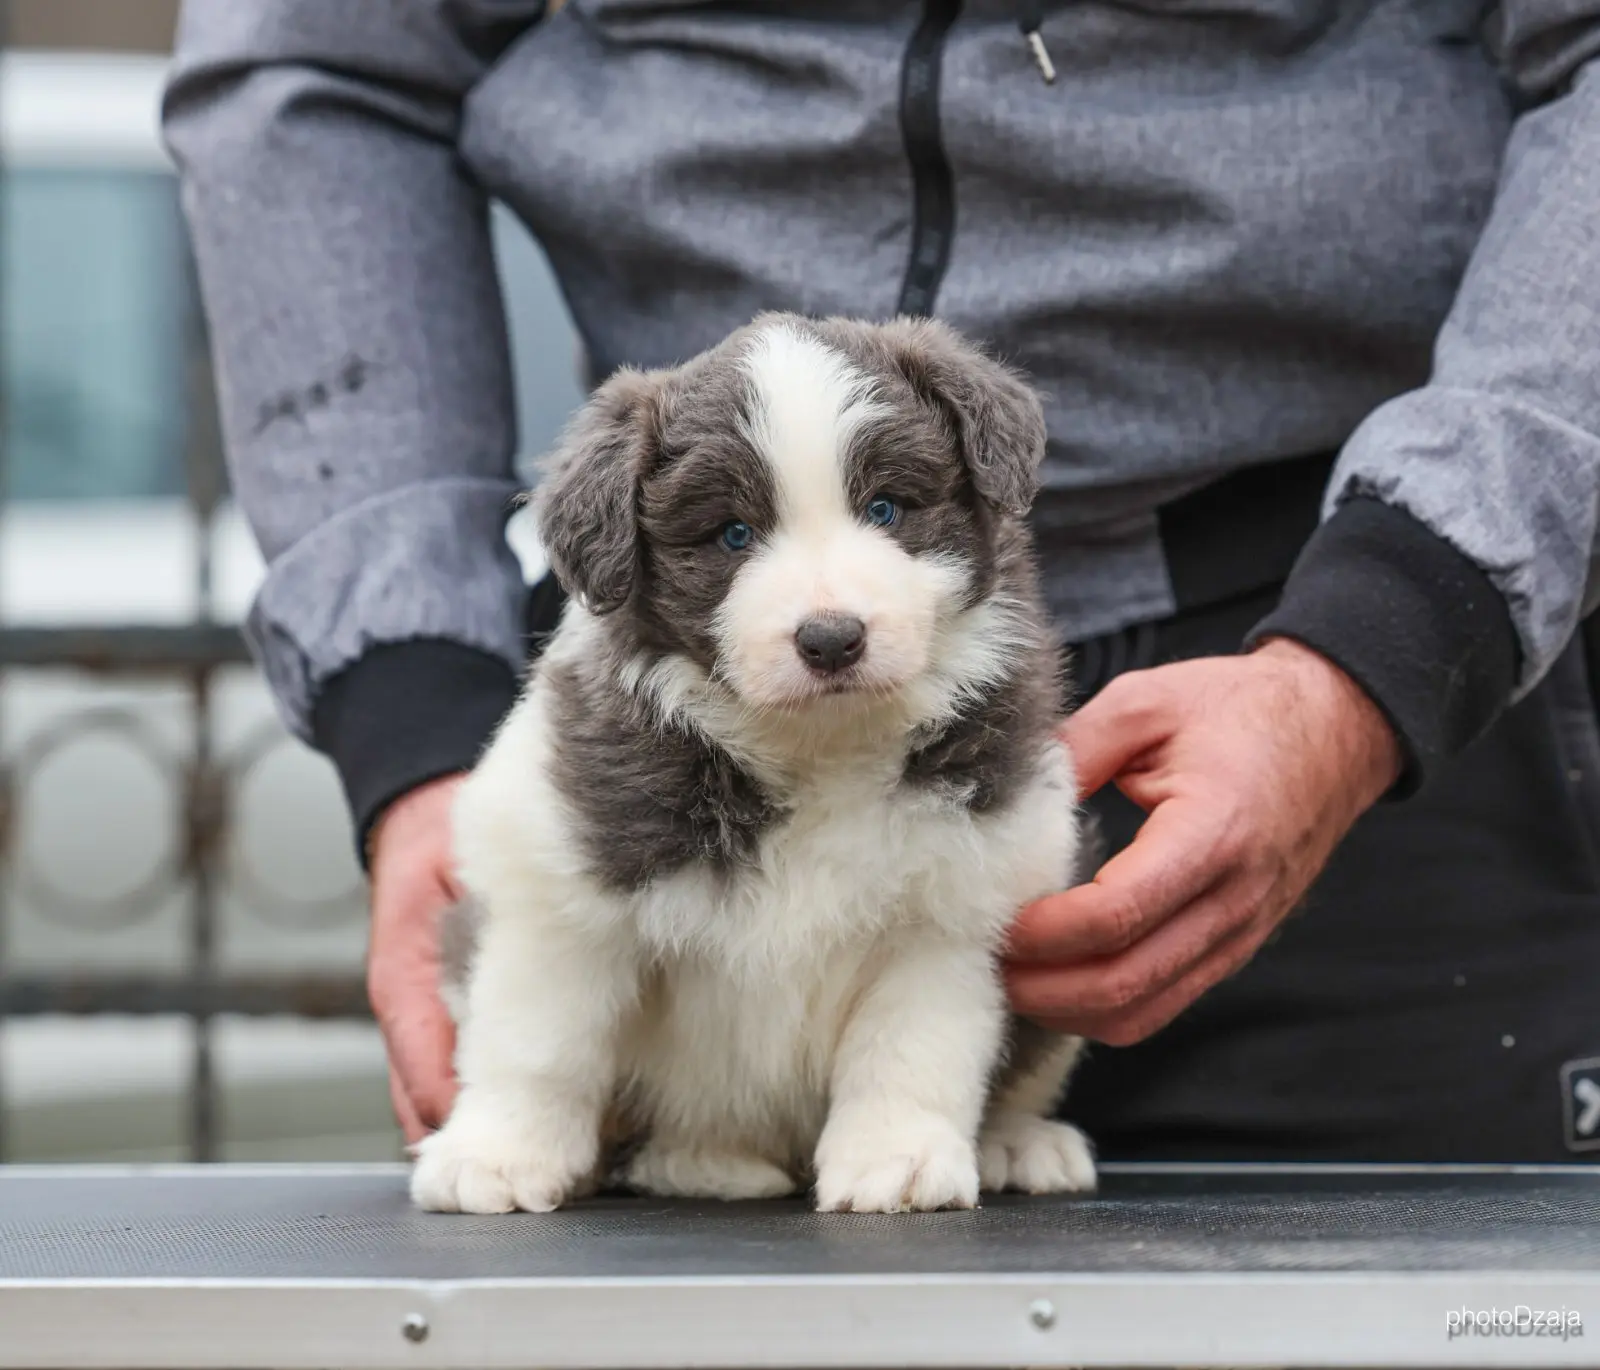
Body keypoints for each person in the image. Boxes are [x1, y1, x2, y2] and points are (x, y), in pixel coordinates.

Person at [164, 0, 1600, 1163]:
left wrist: (1394, 630)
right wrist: (414, 699)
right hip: (681, 693)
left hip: (1341, 629)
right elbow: (318, 62)